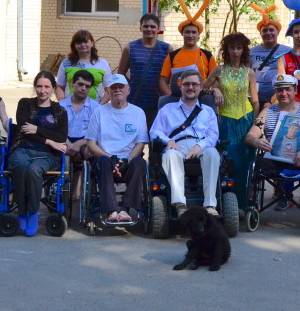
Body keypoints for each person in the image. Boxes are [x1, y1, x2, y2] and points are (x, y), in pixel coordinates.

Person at [244, 74, 300, 210]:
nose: (284, 93)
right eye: (279, 90)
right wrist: (256, 142)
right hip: (275, 159)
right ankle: (283, 195)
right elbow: (250, 136)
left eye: (288, 89)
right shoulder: (266, 112)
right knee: (258, 163)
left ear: (295, 90)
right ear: (275, 92)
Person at [150, 70, 221, 217]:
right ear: (180, 86)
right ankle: (180, 205)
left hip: (201, 145)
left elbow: (213, 135)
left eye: (194, 84)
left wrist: (199, 146)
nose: (190, 87)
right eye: (186, 84)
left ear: (200, 87)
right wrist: (168, 141)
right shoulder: (167, 109)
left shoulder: (208, 111)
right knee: (170, 155)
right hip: (176, 144)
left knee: (213, 153)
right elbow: (155, 131)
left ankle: (210, 204)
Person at [10, 71, 68, 237]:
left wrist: (37, 129)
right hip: (23, 148)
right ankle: (22, 211)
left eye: (47, 87)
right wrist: (49, 141)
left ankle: (33, 212)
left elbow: (61, 137)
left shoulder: (60, 111)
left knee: (34, 170)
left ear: (53, 88)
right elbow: (24, 130)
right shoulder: (25, 104)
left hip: (47, 155)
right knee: (21, 166)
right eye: (39, 86)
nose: (43, 91)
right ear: (35, 87)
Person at [204, 33, 258, 208]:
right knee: (229, 162)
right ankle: (227, 202)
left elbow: (255, 102)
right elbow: (201, 89)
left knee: (245, 162)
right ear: (227, 50)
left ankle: (243, 203)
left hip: (245, 120)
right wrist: (215, 90)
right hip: (226, 121)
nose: (235, 51)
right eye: (232, 48)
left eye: (239, 48)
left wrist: (256, 125)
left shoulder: (249, 73)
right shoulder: (219, 70)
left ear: (244, 50)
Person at [86, 74, 149, 223]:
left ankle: (126, 210)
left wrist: (128, 159)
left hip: (128, 160)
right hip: (105, 160)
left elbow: (140, 143)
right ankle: (111, 211)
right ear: (108, 91)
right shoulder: (99, 112)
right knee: (104, 161)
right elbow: (91, 144)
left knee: (140, 162)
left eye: (121, 87)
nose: (117, 90)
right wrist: (110, 158)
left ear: (128, 90)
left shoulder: (138, 112)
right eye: (113, 88)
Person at [116, 13, 171, 129]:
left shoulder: (167, 49)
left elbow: (172, 75)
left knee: (155, 137)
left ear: (158, 29)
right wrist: (130, 87)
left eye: (152, 26)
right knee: (132, 135)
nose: (149, 29)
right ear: (140, 28)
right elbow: (120, 74)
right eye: (146, 26)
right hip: (135, 101)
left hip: (158, 102)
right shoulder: (130, 47)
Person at [158, 13, 217, 109]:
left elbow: (215, 78)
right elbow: (163, 80)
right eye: (187, 32)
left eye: (194, 32)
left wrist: (214, 91)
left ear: (198, 34)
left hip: (201, 98)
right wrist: (172, 96)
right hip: (178, 99)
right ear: (182, 33)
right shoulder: (173, 56)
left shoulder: (207, 55)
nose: (190, 35)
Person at [60, 70, 100, 201]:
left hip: (85, 142)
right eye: (80, 84)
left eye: (87, 86)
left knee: (89, 151)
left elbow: (97, 133)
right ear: (72, 83)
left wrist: (80, 143)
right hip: (63, 140)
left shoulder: (96, 108)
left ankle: (80, 187)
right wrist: (68, 143)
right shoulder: (60, 106)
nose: (83, 88)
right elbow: (56, 130)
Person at [248, 3, 290, 110]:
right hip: (256, 99)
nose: (268, 33)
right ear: (260, 34)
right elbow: (246, 73)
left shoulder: (287, 51)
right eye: (264, 30)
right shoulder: (251, 52)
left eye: (271, 30)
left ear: (278, 32)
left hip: (280, 98)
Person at [55, 30, 112, 103]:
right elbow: (59, 87)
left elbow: (109, 89)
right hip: (70, 107)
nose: (82, 44)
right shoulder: (66, 63)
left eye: (85, 42)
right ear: (74, 45)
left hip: (95, 107)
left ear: (92, 43)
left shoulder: (102, 63)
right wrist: (63, 104)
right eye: (79, 42)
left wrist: (100, 106)